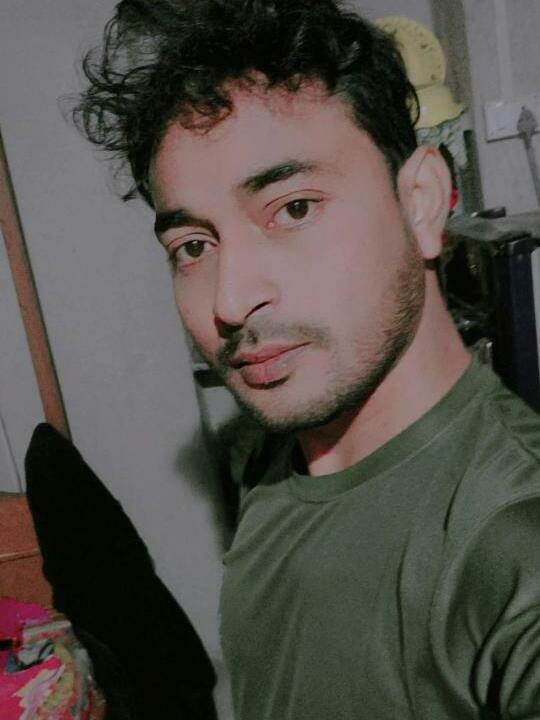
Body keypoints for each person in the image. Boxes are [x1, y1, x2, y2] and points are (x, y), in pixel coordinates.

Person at [73, 1, 540, 717]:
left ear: (421, 202)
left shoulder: (514, 538)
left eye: (293, 209)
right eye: (193, 246)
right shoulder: (274, 450)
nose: (230, 300)